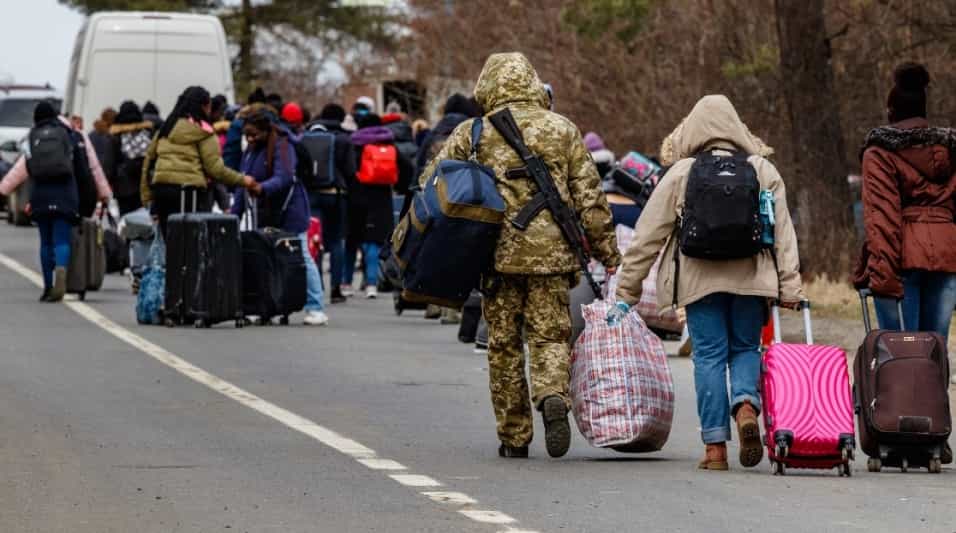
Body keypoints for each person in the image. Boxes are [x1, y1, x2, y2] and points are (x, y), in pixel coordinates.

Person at [420, 53, 620, 459]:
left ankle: (513, 436)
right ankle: (551, 393)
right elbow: (590, 199)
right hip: (551, 257)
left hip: (493, 255)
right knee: (549, 335)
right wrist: (607, 250)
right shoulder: (562, 129)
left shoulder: (472, 132)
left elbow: (432, 183)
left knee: (505, 345)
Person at [610, 94, 804, 471]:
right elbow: (784, 232)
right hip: (752, 277)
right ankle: (746, 405)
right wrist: (790, 286)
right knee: (746, 347)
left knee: (710, 356)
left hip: (699, 279)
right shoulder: (762, 170)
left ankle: (715, 449)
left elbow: (647, 236)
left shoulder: (682, 173)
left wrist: (627, 291)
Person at [854, 63, 956, 384]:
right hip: (947, 257)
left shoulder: (880, 152)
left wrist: (882, 277)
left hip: (901, 260)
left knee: (899, 354)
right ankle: (935, 429)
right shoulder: (949, 150)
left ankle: (901, 427)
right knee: (935, 350)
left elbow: (883, 220)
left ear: (891, 110)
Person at [0, 102, 111, 301]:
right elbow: (87, 170)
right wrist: (97, 195)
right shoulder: (71, 136)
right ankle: (62, 272)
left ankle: (48, 286)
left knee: (45, 242)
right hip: (65, 194)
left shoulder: (33, 138)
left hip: (41, 194)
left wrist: (3, 189)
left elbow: (22, 168)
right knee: (61, 239)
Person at [231, 109, 329, 326]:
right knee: (266, 259)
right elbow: (242, 182)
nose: (249, 139)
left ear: (266, 131)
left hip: (291, 210)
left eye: (254, 134)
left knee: (301, 255)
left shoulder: (283, 145)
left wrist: (261, 188)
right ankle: (271, 306)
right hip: (266, 211)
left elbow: (283, 177)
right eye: (246, 135)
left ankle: (316, 307)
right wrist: (234, 216)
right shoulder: (251, 150)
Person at [140, 86, 257, 236]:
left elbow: (148, 162)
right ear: (203, 106)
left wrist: (147, 198)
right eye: (208, 106)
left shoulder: (166, 128)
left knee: (171, 246)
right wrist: (243, 180)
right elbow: (215, 170)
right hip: (189, 194)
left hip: (161, 192)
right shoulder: (204, 132)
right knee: (191, 247)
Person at [347, 113, 413, 299]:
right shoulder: (387, 143)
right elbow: (407, 167)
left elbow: (348, 169)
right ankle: (371, 284)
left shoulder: (356, 144)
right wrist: (399, 186)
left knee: (355, 240)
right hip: (382, 197)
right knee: (374, 242)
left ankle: (345, 283)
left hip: (357, 196)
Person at [306, 103, 355, 304]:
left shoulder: (306, 138)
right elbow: (351, 171)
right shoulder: (344, 139)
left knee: (315, 239)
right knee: (336, 241)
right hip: (336, 194)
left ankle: (317, 284)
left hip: (312, 194)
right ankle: (336, 288)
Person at [109, 100, 153, 215]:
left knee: (126, 223)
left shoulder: (116, 137)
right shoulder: (147, 134)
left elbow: (111, 164)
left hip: (123, 188)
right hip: (143, 187)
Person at [88, 107, 117, 179]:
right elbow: (109, 162)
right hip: (104, 178)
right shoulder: (111, 137)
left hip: (90, 175)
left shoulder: (91, 134)